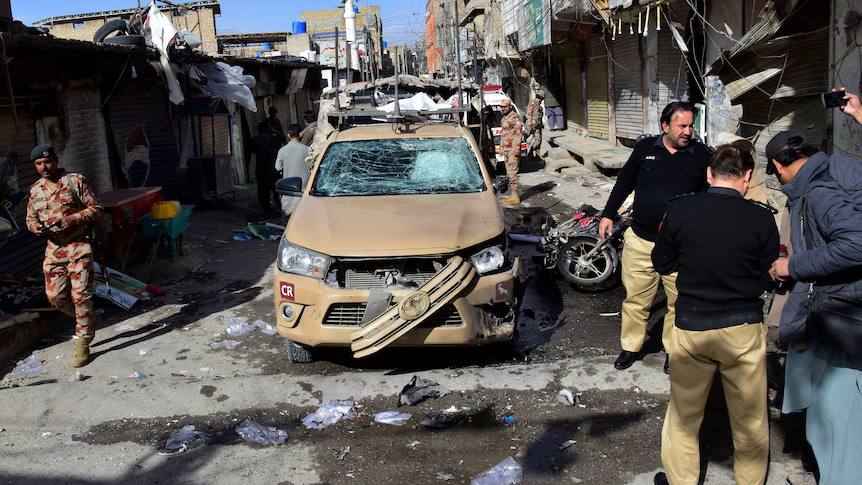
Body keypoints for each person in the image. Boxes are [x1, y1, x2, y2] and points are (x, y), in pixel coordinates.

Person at [651, 145, 778, 485]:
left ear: (709, 174)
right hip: (743, 328)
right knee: (750, 420)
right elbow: (771, 275)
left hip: (693, 325)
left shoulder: (679, 211)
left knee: (683, 416)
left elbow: (661, 263)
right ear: (747, 177)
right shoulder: (762, 218)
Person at [765, 130, 862, 485]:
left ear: (778, 166)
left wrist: (794, 267)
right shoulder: (832, 176)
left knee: (839, 423)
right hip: (839, 315)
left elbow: (857, 244)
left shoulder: (819, 193)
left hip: (843, 320)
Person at [598, 101, 711, 372]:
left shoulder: (701, 154)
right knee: (636, 298)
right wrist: (608, 213)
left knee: (679, 300)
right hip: (641, 239)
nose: (688, 131)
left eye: (691, 125)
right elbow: (625, 181)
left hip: (680, 245)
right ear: (665, 126)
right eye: (681, 125)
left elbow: (712, 194)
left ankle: (674, 349)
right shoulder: (645, 149)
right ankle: (630, 347)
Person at [25, 144, 103, 368]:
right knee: (56, 298)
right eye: (38, 164)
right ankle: (87, 319)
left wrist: (73, 219)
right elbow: (30, 218)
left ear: (56, 160)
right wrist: (34, 227)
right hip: (54, 250)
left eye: (47, 162)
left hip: (79, 246)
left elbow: (96, 208)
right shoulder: (35, 190)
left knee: (81, 296)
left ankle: (83, 340)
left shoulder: (75, 181)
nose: (43, 167)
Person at [275, 124, 310, 217]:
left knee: (288, 222)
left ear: (288, 136)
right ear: (300, 134)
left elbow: (277, 167)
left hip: (289, 192)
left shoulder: (282, 150)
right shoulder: (307, 149)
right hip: (305, 192)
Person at [499, 98, 523, 206]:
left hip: (513, 150)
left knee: (512, 173)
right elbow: (504, 134)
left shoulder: (515, 117)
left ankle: (516, 196)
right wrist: (501, 148)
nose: (502, 108)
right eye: (501, 107)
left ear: (509, 106)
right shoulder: (505, 117)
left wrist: (517, 148)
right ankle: (513, 195)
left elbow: (519, 133)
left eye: (504, 106)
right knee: (509, 173)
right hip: (506, 150)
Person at [254, 120, 281, 212]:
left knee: (262, 190)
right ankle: (277, 205)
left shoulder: (255, 139)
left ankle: (266, 206)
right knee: (275, 187)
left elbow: (252, 150)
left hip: (260, 168)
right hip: (271, 167)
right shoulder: (273, 138)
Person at [526, 90, 545, 158]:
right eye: (541, 98)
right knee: (537, 140)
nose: (542, 100)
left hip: (538, 125)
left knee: (540, 140)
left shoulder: (539, 105)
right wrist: (530, 124)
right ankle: (530, 152)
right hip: (534, 125)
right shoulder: (532, 103)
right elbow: (529, 114)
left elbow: (539, 116)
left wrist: (542, 124)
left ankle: (537, 155)